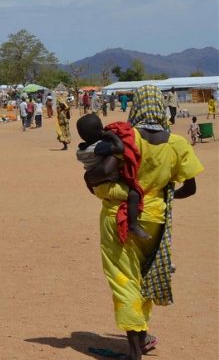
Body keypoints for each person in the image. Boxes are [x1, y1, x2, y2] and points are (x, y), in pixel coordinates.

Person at [84, 85, 203, 360]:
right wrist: (160, 195)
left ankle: (134, 350)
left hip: (119, 217)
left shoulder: (128, 138)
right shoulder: (177, 144)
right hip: (156, 219)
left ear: (135, 106)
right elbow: (190, 188)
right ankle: (143, 335)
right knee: (146, 276)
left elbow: (103, 172)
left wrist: (90, 181)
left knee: (123, 278)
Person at [76, 113, 147, 241]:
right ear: (100, 131)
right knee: (134, 194)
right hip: (108, 184)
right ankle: (133, 225)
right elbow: (119, 148)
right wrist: (111, 135)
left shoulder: (82, 149)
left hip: (98, 186)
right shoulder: (98, 147)